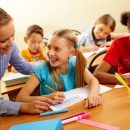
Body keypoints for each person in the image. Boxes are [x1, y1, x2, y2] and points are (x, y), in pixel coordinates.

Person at [16, 29, 101, 109]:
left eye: (57, 49)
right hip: (51, 115)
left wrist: (93, 95)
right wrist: (47, 98)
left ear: (71, 53)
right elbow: (20, 98)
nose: (50, 53)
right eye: (49, 48)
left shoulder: (75, 62)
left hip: (75, 108)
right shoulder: (42, 68)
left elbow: (93, 80)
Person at [0, 7, 54, 116]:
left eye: (12, 36)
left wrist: (49, 63)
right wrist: (23, 106)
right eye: (3, 40)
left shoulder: (11, 47)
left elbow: (25, 67)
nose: (11, 43)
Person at [93, 12, 130, 84]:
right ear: (129, 29)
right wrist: (124, 79)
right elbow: (97, 75)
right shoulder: (119, 44)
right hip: (124, 88)